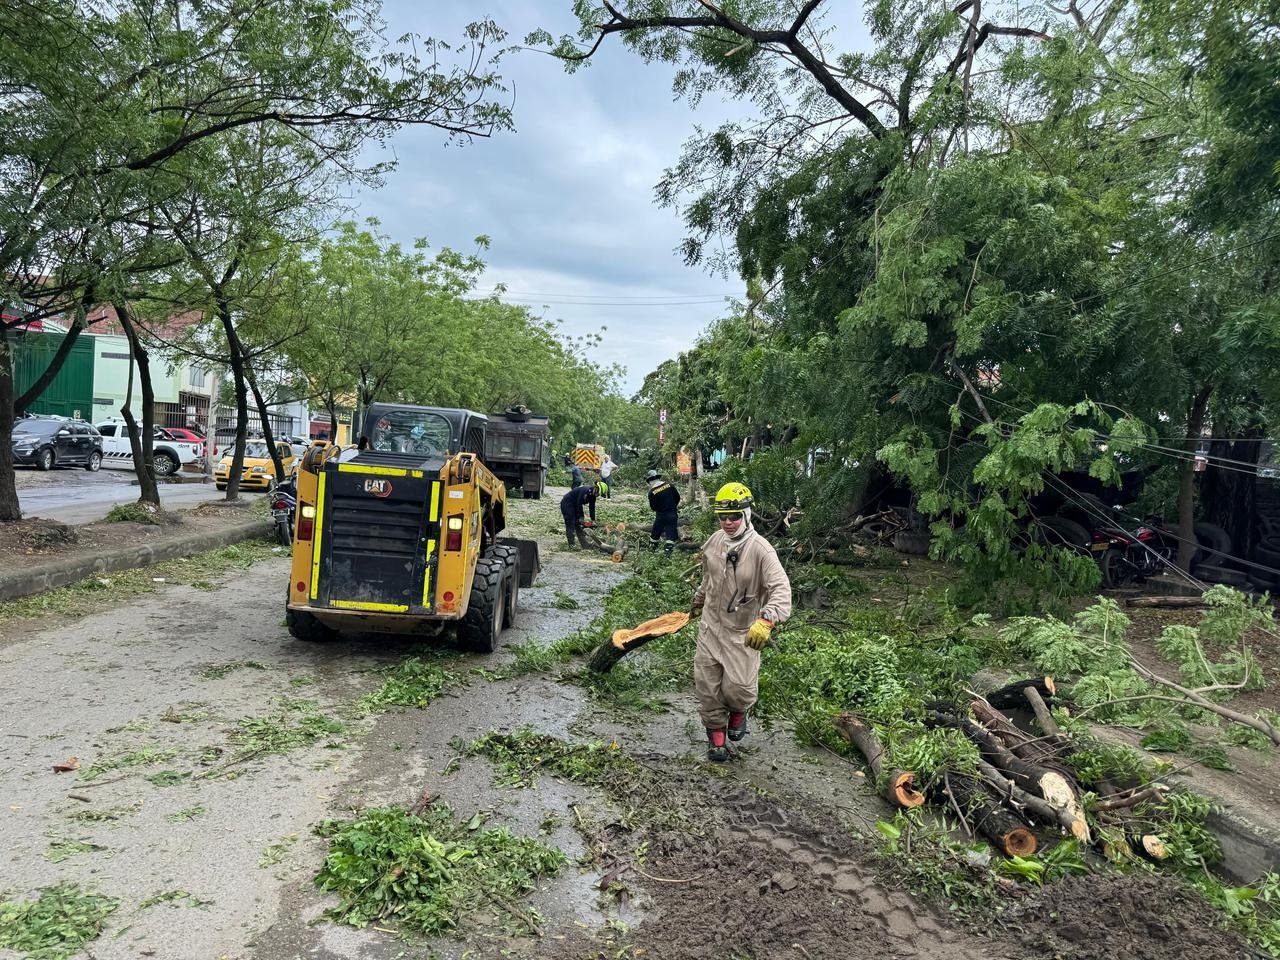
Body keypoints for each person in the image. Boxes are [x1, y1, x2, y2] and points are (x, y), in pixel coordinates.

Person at [691, 482, 792, 762]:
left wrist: (768, 619)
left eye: (734, 516)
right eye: (723, 517)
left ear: (747, 515)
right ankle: (716, 737)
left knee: (739, 688)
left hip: (742, 632)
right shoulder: (714, 542)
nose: (728, 522)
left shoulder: (761, 550)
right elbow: (709, 578)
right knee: (706, 684)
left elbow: (781, 590)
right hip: (711, 626)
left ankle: (738, 711)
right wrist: (699, 598)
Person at [646, 469, 681, 556]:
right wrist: (672, 506)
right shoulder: (670, 485)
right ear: (657, 478)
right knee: (670, 534)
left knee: (655, 533)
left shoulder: (652, 492)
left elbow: (653, 507)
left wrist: (660, 509)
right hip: (672, 514)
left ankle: (651, 551)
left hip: (660, 516)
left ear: (650, 481)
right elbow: (677, 497)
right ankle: (667, 553)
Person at [559, 483, 598, 548]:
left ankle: (584, 544)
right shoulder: (585, 491)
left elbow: (592, 507)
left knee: (578, 524)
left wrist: (593, 519)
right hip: (568, 502)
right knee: (570, 523)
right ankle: (571, 545)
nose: (597, 495)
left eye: (598, 495)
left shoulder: (593, 496)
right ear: (596, 489)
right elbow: (579, 503)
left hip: (575, 505)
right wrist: (581, 516)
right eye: (597, 493)